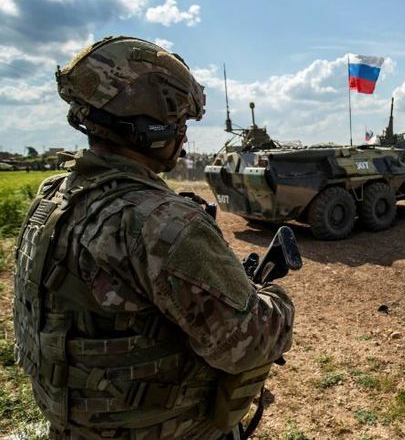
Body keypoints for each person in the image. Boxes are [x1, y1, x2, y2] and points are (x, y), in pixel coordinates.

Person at [13, 36, 294, 439]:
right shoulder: (158, 221)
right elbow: (249, 343)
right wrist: (272, 298)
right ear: (149, 125)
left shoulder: (53, 197)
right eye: (179, 122)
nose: (182, 135)